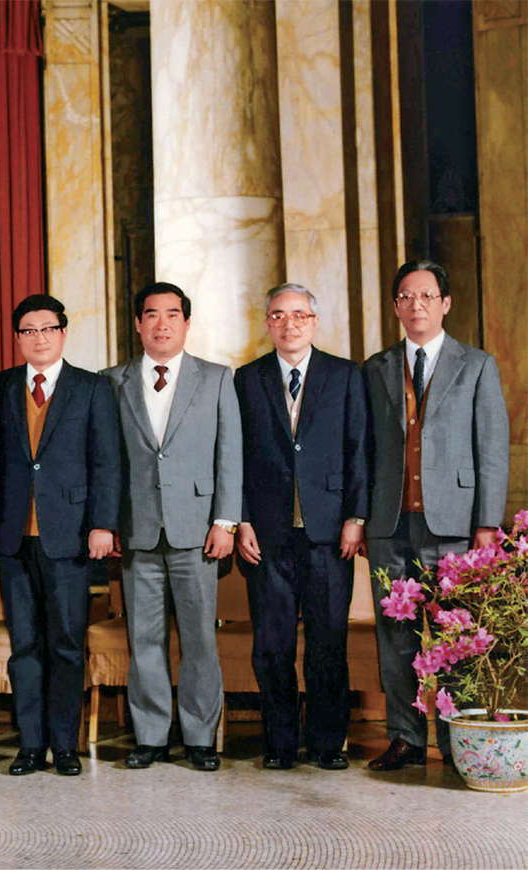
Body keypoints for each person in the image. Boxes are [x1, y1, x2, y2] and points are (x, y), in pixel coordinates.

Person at [363, 259, 510, 771]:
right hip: (389, 524)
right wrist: (361, 518)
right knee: (395, 639)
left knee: (455, 636)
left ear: (445, 303)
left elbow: (492, 448)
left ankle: (457, 740)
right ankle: (405, 738)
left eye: (426, 296)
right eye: (406, 296)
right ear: (396, 305)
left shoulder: (476, 365)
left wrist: (487, 524)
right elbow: (363, 452)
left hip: (454, 527)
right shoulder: (376, 368)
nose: (416, 305)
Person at [101, 282, 242, 772]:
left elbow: (231, 455)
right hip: (136, 531)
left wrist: (225, 520)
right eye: (151, 315)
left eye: (172, 315)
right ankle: (152, 736)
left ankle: (201, 738)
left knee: (200, 639)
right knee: (144, 640)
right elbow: (107, 462)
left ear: (186, 322)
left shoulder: (217, 379)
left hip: (198, 531)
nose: (162, 324)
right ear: (137, 323)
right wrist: (108, 522)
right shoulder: (111, 381)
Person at [0, 295, 120, 777]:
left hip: (71, 537)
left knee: (65, 643)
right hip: (14, 538)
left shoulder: (92, 388)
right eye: (27, 330)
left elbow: (106, 461)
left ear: (63, 332)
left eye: (47, 328)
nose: (38, 337)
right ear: (16, 338)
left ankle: (64, 745)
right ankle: (29, 745)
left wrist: (103, 523)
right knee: (24, 646)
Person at [234, 283, 368, 771]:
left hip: (330, 533)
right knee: (272, 647)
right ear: (267, 322)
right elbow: (236, 459)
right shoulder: (246, 380)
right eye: (278, 315)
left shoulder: (345, 375)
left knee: (328, 644)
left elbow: (359, 450)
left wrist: (356, 518)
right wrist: (242, 519)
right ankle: (281, 744)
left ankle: (329, 744)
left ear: (314, 321)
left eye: (299, 315)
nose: (289, 323)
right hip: (267, 536)